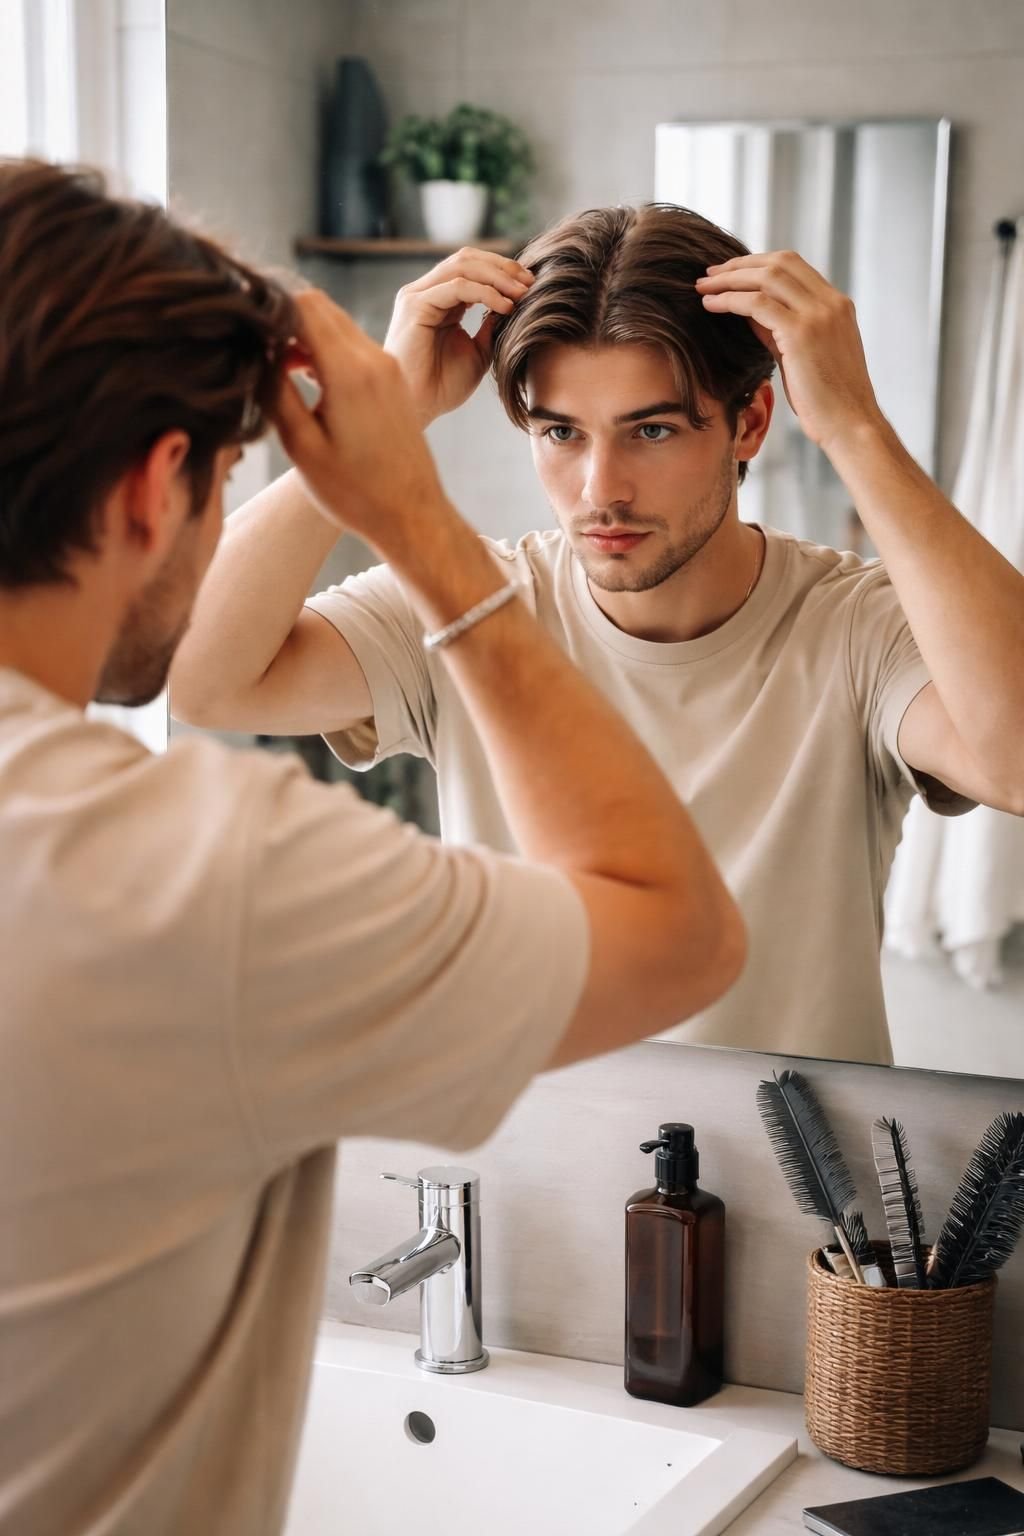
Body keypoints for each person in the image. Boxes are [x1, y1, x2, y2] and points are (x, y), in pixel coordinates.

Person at [0, 162, 745, 1536]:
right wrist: (411, 512)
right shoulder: (193, 871)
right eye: (233, 477)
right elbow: (679, 935)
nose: (601, 485)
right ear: (161, 487)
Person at [171, 203, 1024, 1069]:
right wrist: (371, 420)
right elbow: (202, 678)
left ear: (751, 424)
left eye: (651, 430)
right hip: (522, 1181)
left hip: (805, 1190)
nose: (597, 490)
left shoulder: (857, 626)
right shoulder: (468, 601)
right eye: (560, 433)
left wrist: (855, 427)